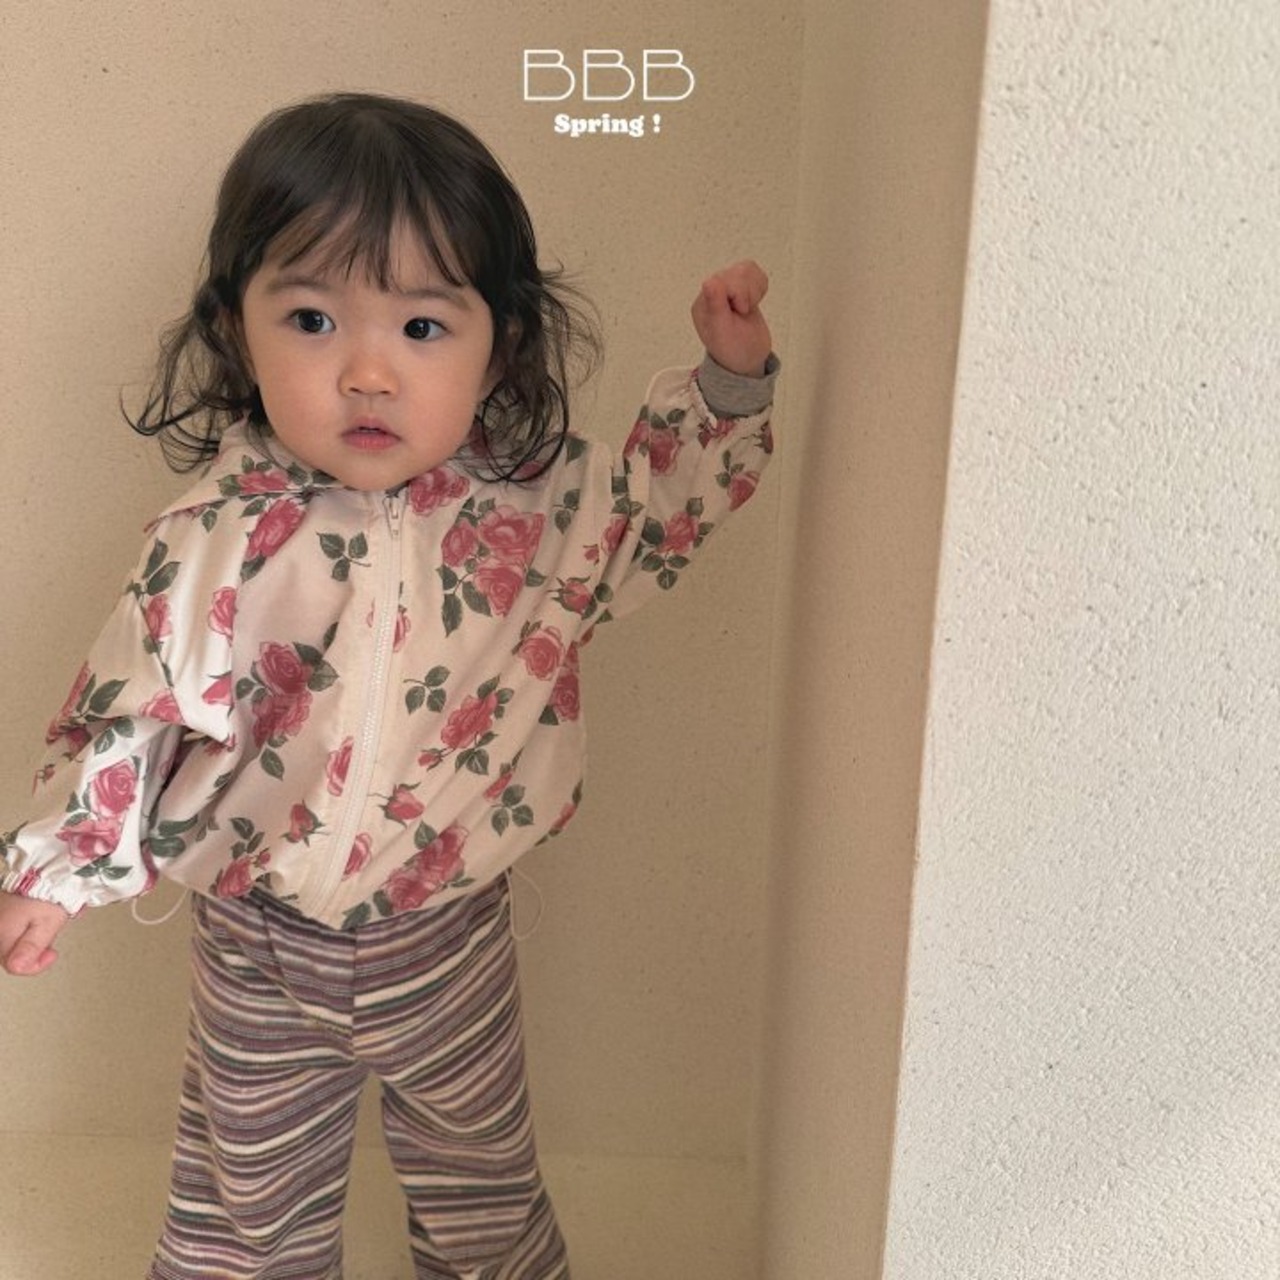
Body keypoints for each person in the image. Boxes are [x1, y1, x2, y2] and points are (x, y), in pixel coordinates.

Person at [0, 92, 777, 1279]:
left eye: (421, 326)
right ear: (238, 334)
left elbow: (655, 512)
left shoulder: (539, 509)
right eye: (312, 319)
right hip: (259, 943)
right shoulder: (220, 530)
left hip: (448, 930)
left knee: (483, 1176)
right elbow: (138, 708)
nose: (367, 372)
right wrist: (58, 873)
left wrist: (727, 384)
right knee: (246, 1195)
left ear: (496, 345)